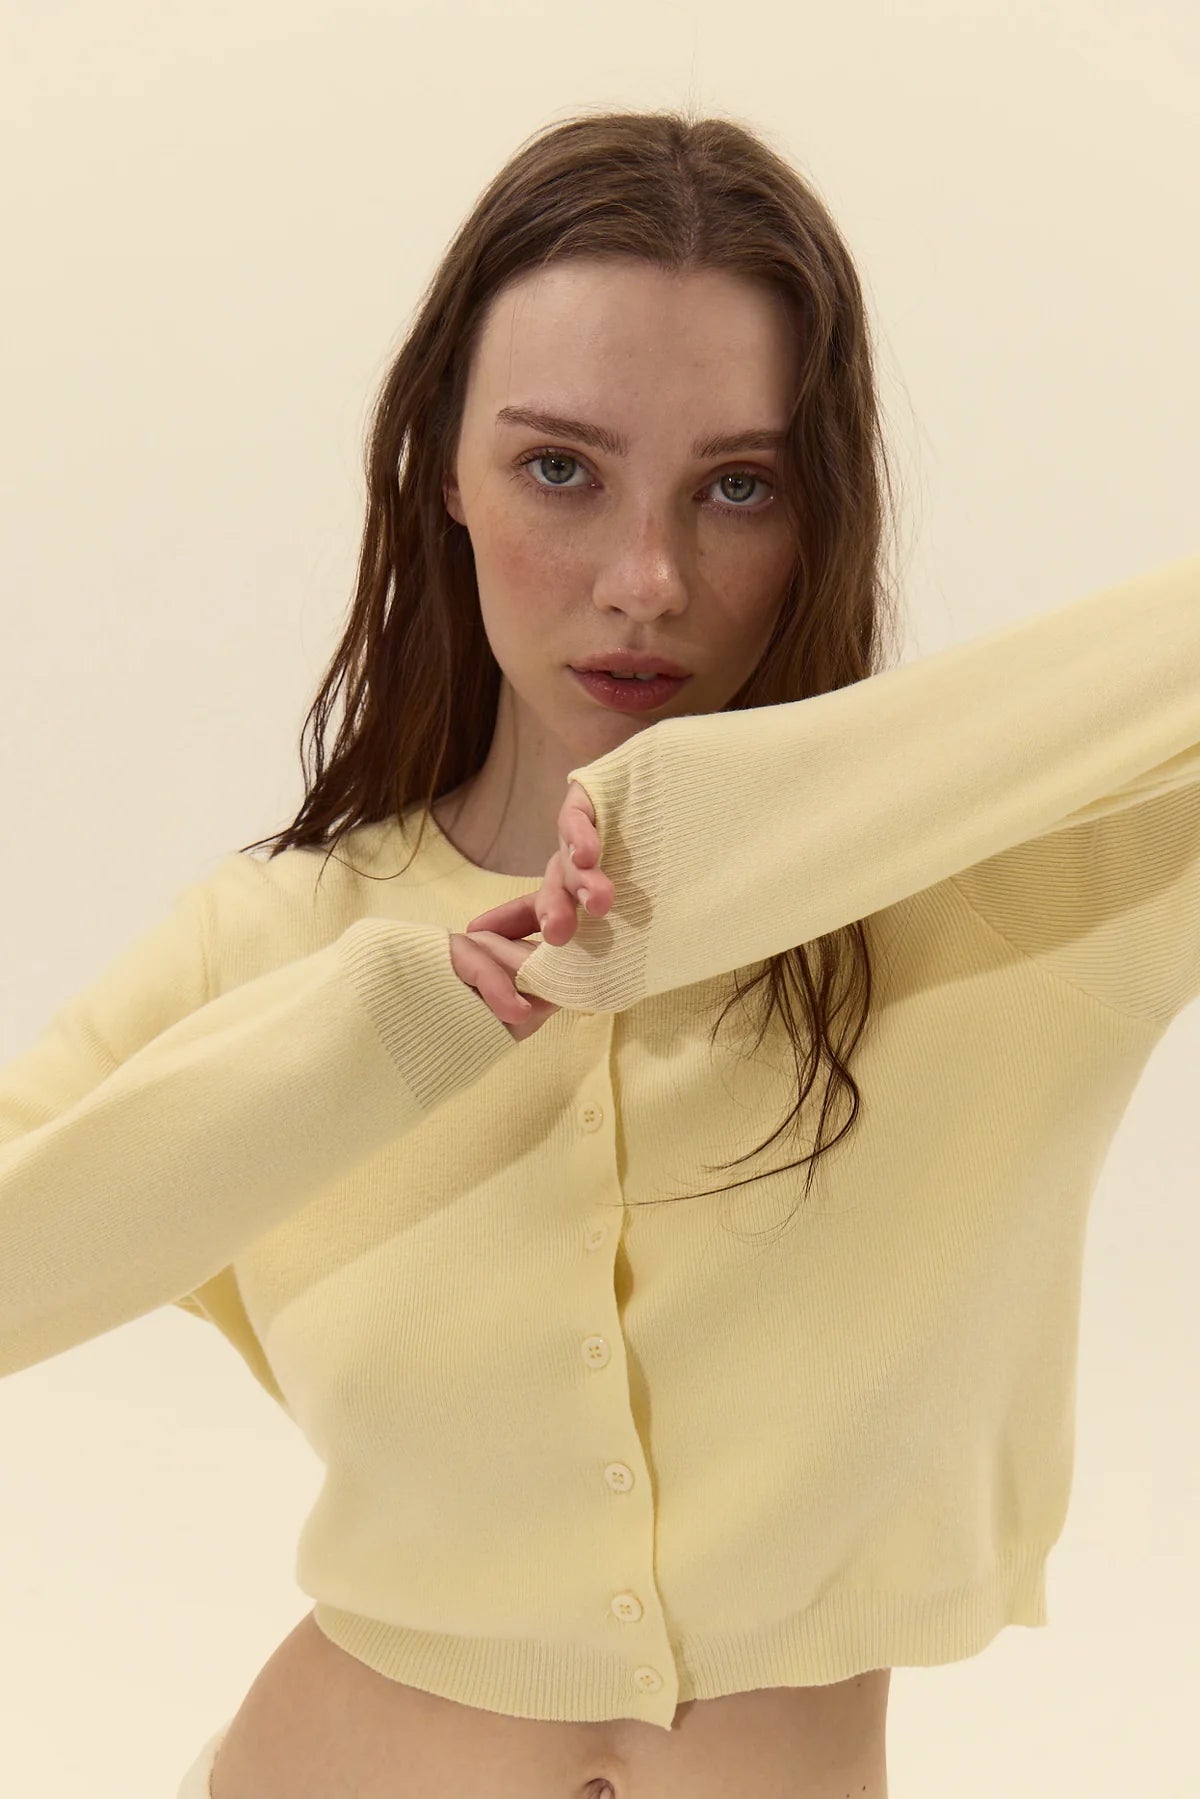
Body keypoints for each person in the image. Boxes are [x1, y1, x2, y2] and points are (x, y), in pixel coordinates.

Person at [5, 107, 1198, 1799]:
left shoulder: (1000, 908)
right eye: (560, 468)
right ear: (446, 469)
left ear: (821, 509)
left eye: (738, 487)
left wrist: (774, 819)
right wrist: (380, 1035)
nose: (648, 580)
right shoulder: (274, 943)